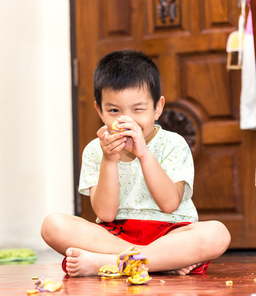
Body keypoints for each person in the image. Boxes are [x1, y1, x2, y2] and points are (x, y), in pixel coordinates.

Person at [40, 49, 231, 277]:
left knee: (217, 234)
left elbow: (170, 203)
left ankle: (111, 262)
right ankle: (157, 262)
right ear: (99, 111)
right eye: (113, 110)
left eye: (138, 109)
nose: (126, 119)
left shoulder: (173, 143)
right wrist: (109, 161)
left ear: (157, 108)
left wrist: (144, 154)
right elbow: (105, 214)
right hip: (115, 234)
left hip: (169, 234)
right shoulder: (95, 150)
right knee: (52, 225)